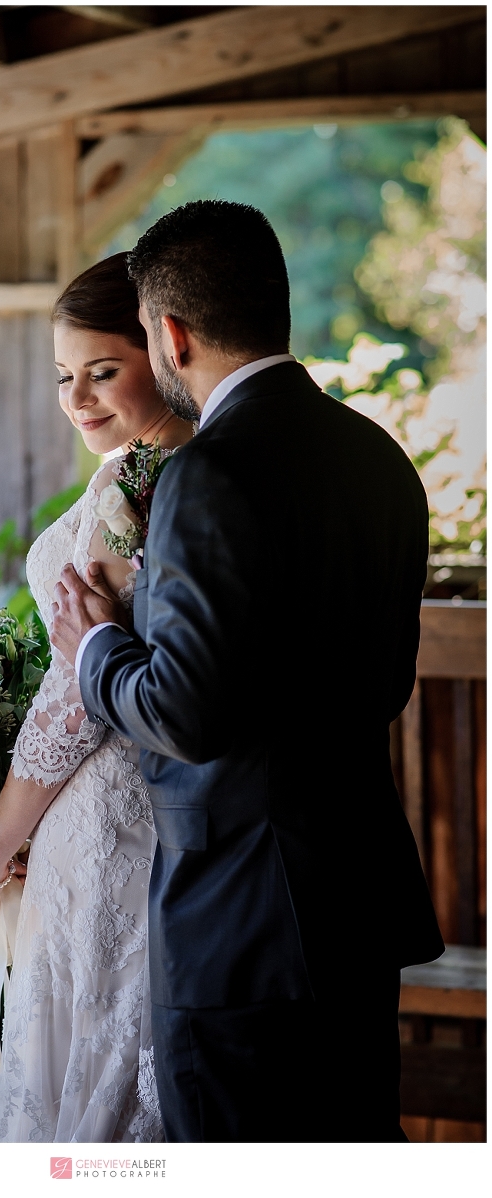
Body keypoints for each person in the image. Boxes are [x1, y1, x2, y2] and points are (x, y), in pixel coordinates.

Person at [51, 200, 445, 1143]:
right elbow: (386, 680)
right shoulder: (379, 457)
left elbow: (184, 713)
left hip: (241, 918)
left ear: (171, 334)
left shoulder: (210, 472)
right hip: (355, 895)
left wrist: (95, 649)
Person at [0, 252, 193, 1143]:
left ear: (164, 352)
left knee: (106, 1079)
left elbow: (77, 696)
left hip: (113, 819)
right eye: (66, 377)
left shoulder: (148, 483)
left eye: (104, 372)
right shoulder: (123, 471)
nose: (79, 399)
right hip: (76, 826)